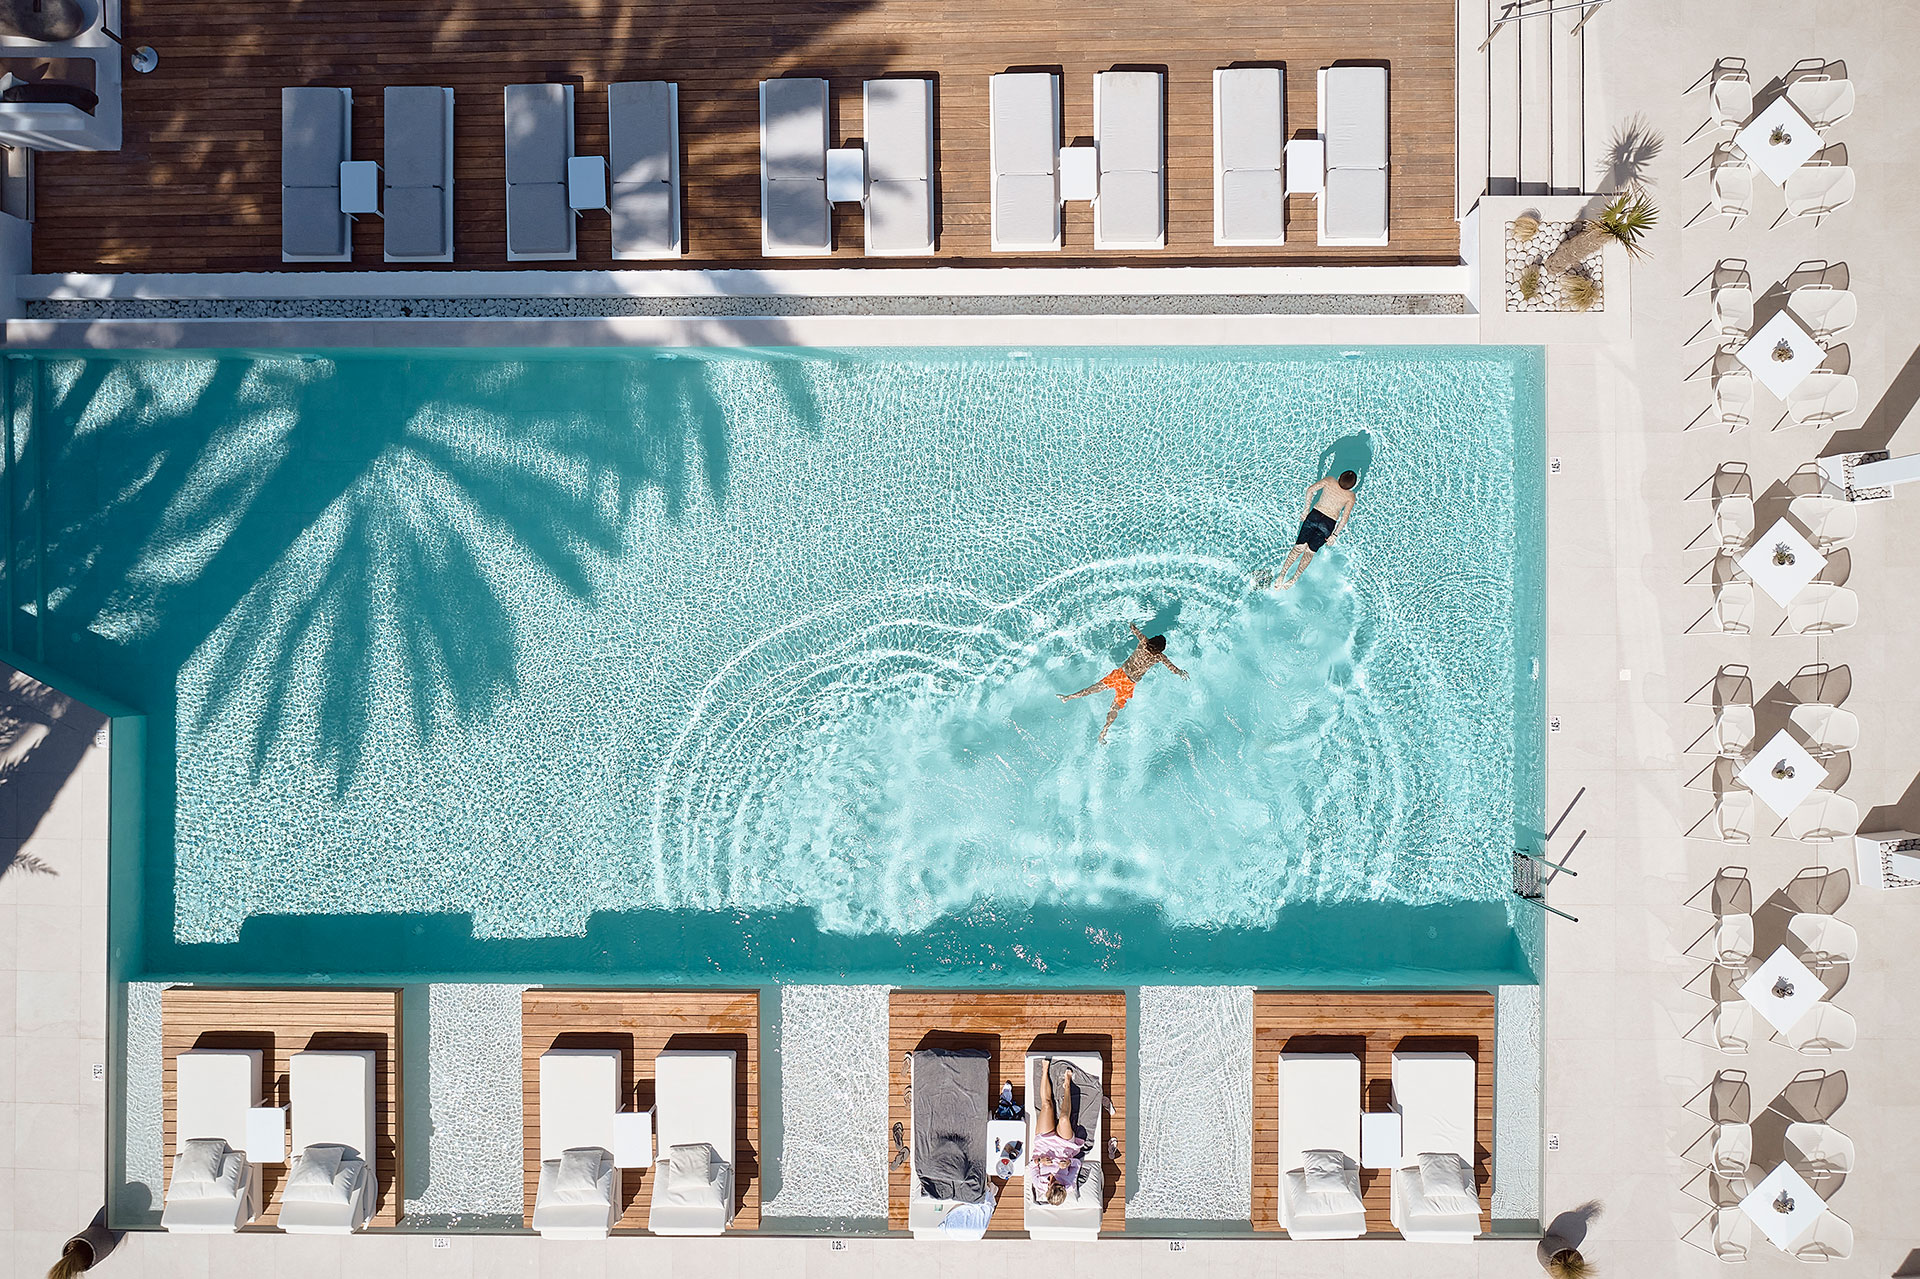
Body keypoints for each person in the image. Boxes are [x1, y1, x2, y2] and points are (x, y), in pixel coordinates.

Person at [1059, 623, 1189, 743]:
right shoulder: (1159, 656)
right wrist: (1181, 672)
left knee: (1093, 689)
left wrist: (1130, 622)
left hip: (1119, 675)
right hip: (1129, 684)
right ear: (1161, 649)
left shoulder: (1144, 642)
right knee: (1114, 707)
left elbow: (1133, 629)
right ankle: (1103, 733)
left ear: (1152, 640)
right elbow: (1171, 667)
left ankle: (1068, 697)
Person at [1267, 469, 1358, 590]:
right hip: (1328, 524)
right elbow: (1344, 518)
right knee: (1309, 552)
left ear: (1340, 476)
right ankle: (1293, 579)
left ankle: (1282, 574)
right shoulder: (1351, 496)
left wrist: (1306, 510)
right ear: (1353, 486)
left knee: (1298, 548)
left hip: (1314, 516)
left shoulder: (1330, 480)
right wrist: (1334, 535)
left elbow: (1310, 490)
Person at [1027, 1057, 1088, 1206]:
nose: (1055, 1181)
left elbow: (1030, 1166)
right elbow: (1076, 1164)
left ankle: (1045, 1070)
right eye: (1059, 1184)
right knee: (1064, 1120)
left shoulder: (1038, 1183)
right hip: (1064, 1147)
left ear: (1047, 1190)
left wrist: (1040, 1161)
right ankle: (1067, 1085)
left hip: (1044, 1144)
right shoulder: (1068, 1183)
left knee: (1047, 1106)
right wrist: (1068, 1162)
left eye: (1053, 1185)